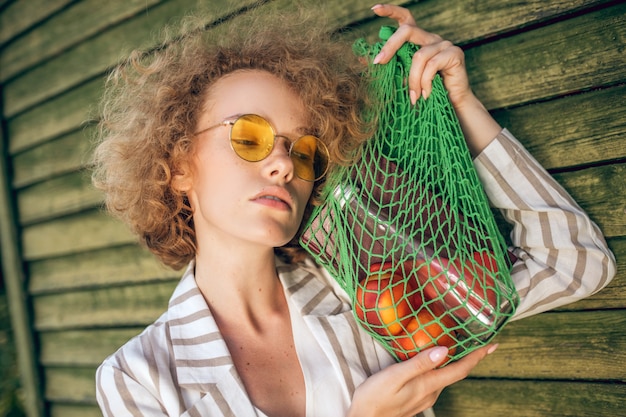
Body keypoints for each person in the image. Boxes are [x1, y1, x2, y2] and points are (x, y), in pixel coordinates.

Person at [91, 4, 616, 417]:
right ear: (178, 163)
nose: (283, 166)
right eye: (249, 136)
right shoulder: (140, 378)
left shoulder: (364, 288)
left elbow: (572, 262)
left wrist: (460, 106)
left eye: (304, 151)